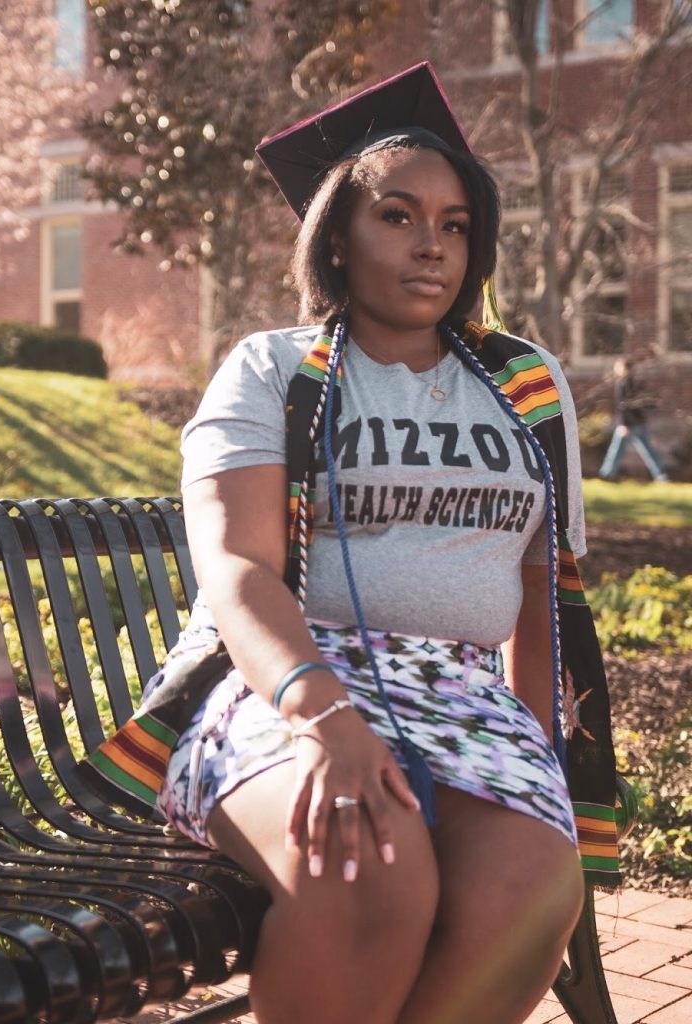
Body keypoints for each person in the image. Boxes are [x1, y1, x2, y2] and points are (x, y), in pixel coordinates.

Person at [83, 63, 621, 1024]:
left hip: (459, 695)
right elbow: (238, 568)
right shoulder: (273, 370)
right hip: (283, 685)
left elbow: (542, 584)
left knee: (534, 885)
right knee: (367, 866)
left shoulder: (527, 387)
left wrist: (537, 756)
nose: (433, 247)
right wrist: (322, 715)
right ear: (336, 231)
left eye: (455, 225)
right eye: (399, 216)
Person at [599, 354, 668, 482]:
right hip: (638, 423)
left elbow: (622, 405)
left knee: (617, 451)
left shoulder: (623, 384)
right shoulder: (636, 383)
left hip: (629, 424)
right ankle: (660, 475)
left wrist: (623, 424)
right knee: (648, 451)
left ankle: (607, 474)